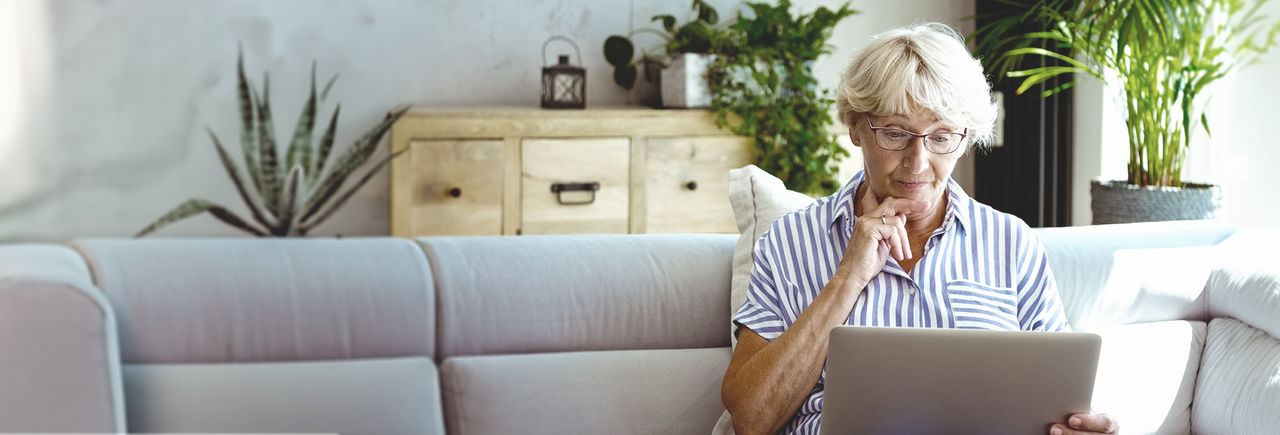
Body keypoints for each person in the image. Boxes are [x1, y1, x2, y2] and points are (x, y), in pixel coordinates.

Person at [719, 23, 1119, 435]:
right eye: (895, 134)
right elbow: (751, 418)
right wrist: (848, 278)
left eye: (941, 137)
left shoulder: (1010, 243)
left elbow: (1062, 396)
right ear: (856, 127)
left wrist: (1081, 427)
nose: (918, 162)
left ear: (965, 139)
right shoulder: (791, 241)